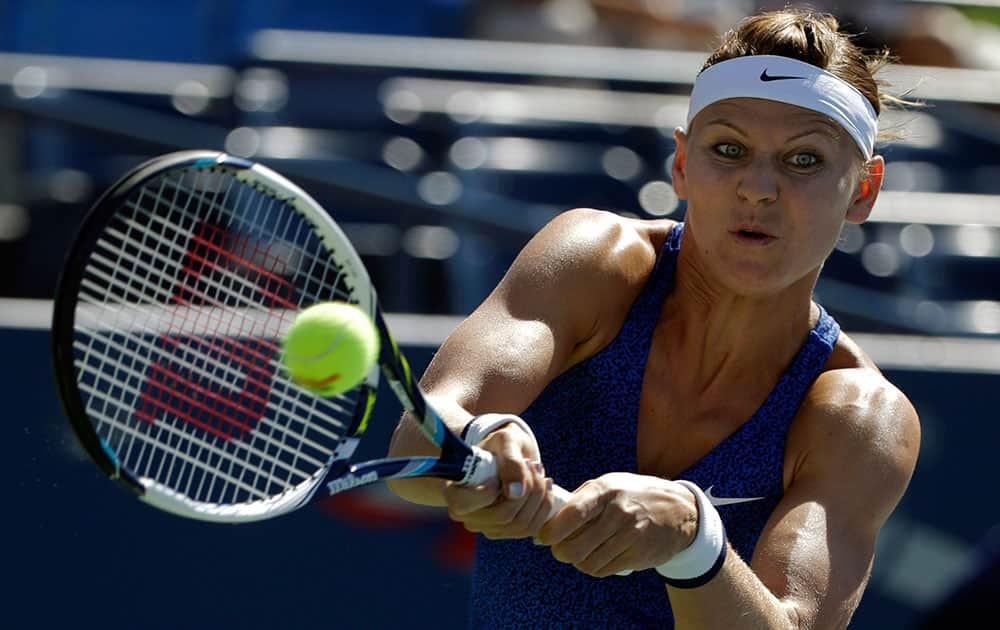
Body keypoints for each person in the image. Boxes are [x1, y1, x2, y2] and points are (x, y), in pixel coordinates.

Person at [387, 7, 921, 629]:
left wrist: (693, 541)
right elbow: (422, 436)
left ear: (863, 189)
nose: (757, 187)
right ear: (683, 164)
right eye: (728, 149)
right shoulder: (595, 262)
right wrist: (480, 440)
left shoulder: (859, 417)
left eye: (804, 160)